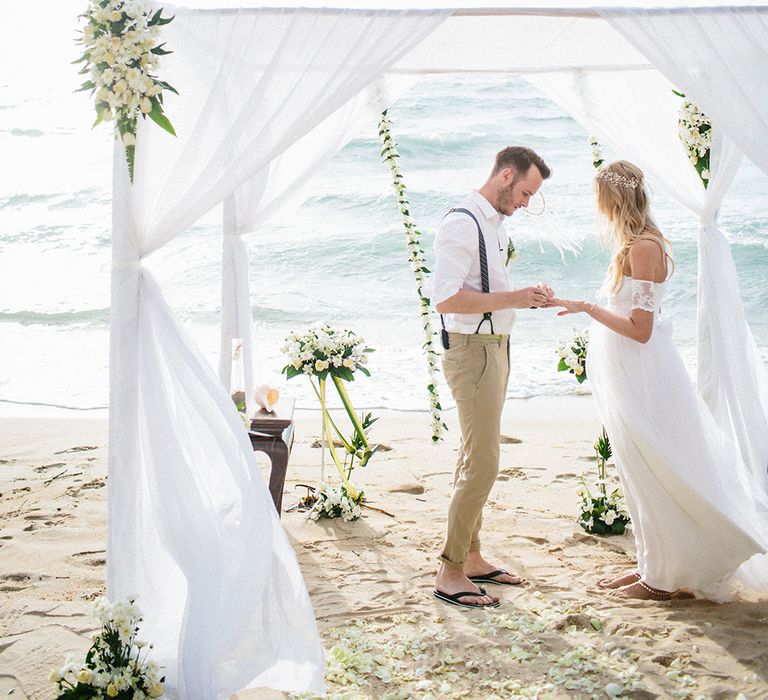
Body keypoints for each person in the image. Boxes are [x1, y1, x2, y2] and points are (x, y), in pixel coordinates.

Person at [552, 160, 768, 601]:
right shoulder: (636, 244)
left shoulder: (644, 248)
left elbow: (642, 328)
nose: (599, 209)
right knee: (638, 471)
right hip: (632, 375)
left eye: (601, 199)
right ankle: (651, 567)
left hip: (645, 377)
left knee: (654, 471)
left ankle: (660, 580)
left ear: (615, 200)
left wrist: (587, 308)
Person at [431, 146, 554, 609]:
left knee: (474, 456)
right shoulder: (463, 222)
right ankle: (449, 569)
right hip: (472, 352)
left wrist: (524, 296)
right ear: (505, 175)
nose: (526, 203)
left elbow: (484, 289)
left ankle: (473, 555)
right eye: (525, 192)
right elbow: (444, 299)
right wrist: (517, 297)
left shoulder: (493, 225)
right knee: (483, 461)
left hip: (494, 348)